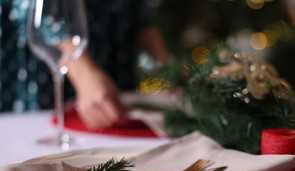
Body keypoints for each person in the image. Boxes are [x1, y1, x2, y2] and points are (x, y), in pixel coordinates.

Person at [0, 0, 169, 129]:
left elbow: (139, 14)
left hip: (113, 73)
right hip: (44, 81)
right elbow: (37, 10)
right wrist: (85, 75)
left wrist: (169, 70)